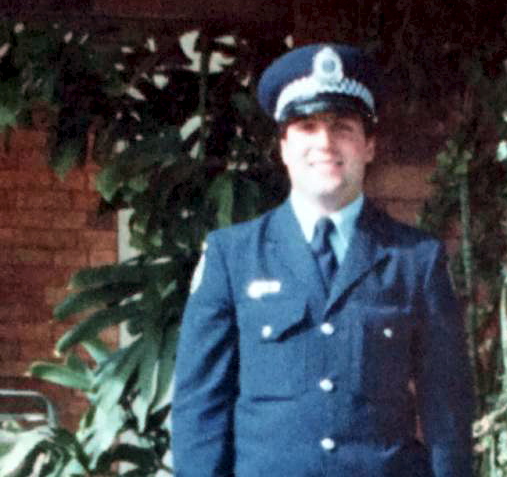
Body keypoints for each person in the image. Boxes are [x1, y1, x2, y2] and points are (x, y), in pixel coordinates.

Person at [171, 42, 474, 477]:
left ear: (369, 146)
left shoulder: (416, 260)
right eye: (307, 127)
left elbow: (447, 408)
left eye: (343, 128)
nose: (325, 143)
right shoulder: (232, 256)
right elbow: (200, 406)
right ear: (283, 147)